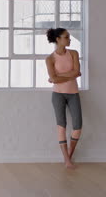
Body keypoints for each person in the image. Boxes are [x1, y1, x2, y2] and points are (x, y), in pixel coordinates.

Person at [45, 28, 82, 169]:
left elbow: (77, 72)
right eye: (66, 37)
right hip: (58, 95)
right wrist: (70, 74)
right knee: (62, 126)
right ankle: (67, 160)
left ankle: (69, 157)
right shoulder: (50, 58)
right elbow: (57, 78)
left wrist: (57, 77)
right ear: (58, 39)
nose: (69, 39)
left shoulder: (73, 53)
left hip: (73, 93)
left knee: (78, 126)